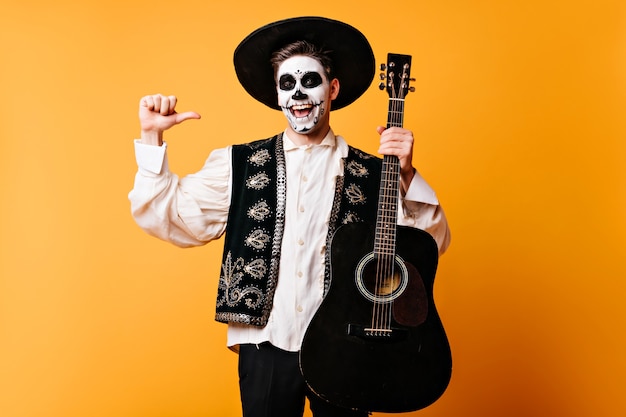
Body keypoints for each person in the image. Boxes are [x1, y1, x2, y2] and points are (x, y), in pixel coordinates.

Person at [129, 16, 451, 417]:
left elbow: (430, 248)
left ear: (332, 89)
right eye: (287, 84)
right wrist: (151, 139)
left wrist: (404, 174)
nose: (298, 95)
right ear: (277, 96)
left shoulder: (375, 174)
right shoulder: (239, 164)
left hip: (348, 346)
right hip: (267, 342)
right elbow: (169, 216)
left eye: (310, 82)